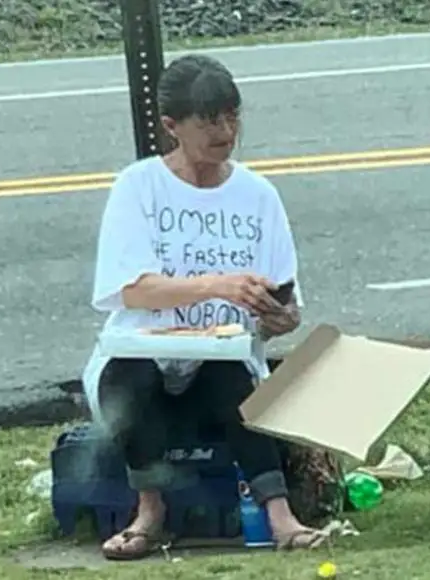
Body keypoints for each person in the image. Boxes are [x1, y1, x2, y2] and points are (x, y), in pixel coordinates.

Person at [79, 54, 330, 559]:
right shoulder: (139, 186)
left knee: (229, 376)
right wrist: (216, 285)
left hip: (223, 358)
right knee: (131, 377)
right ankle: (148, 511)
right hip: (141, 354)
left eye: (232, 116)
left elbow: (285, 302)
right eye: (209, 120)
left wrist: (279, 318)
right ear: (172, 126)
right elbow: (132, 290)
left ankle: (280, 516)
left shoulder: (257, 195)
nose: (226, 131)